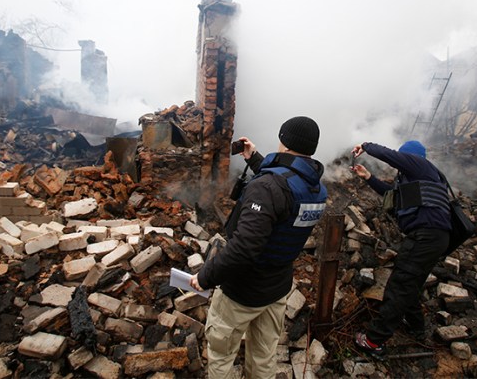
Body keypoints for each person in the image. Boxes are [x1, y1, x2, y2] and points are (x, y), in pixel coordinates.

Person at [190, 116, 328, 379]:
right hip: (277, 289)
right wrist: (254, 158)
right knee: (263, 358)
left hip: (243, 290)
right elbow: (287, 186)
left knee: (221, 355)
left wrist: (205, 277)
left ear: (284, 141)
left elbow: (243, 250)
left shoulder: (266, 188)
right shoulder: (317, 189)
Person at [350, 140, 451, 361]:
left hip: (426, 235)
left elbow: (390, 156)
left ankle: (374, 339)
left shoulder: (421, 166)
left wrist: (366, 146)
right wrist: (368, 177)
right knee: (410, 283)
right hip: (432, 237)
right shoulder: (414, 180)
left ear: (411, 158)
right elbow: (392, 197)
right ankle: (415, 327)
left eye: (403, 159)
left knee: (400, 284)